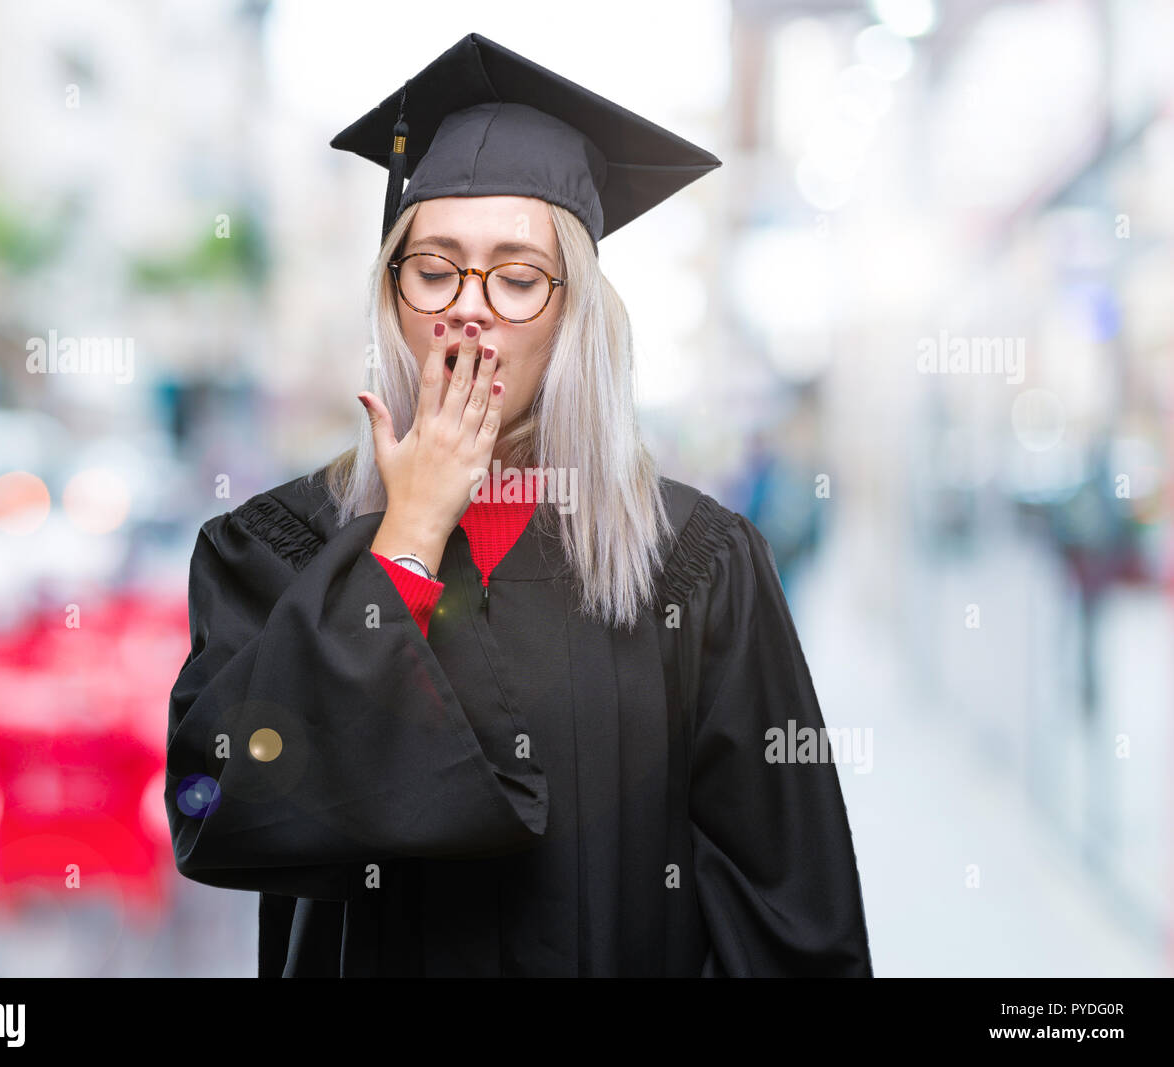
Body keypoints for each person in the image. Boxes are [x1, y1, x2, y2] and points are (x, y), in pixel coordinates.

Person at [165, 32, 873, 978]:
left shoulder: (693, 562)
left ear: (574, 311)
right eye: (434, 268)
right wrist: (407, 539)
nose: (471, 308)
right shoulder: (280, 545)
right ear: (392, 295)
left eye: (518, 276)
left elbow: (787, 914)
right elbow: (226, 808)